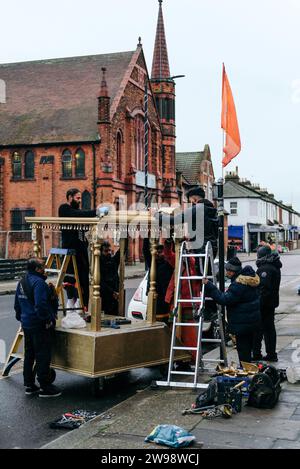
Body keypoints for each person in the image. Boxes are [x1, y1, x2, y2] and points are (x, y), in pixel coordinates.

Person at [14, 258, 61, 397]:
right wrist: (47, 320)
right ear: (37, 269)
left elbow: (17, 304)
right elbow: (41, 305)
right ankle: (45, 387)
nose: (45, 268)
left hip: (27, 324)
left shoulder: (21, 282)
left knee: (29, 355)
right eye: (42, 266)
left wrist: (22, 319)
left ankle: (29, 385)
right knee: (42, 355)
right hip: (39, 325)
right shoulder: (39, 283)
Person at [203, 257, 261, 365]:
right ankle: (248, 368)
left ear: (231, 271)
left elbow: (224, 299)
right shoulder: (249, 279)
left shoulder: (238, 284)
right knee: (248, 349)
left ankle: (246, 371)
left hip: (242, 323)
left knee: (243, 350)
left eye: (227, 270)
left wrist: (210, 287)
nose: (225, 273)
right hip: (251, 321)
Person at [58, 188, 97, 310]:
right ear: (70, 197)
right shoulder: (64, 208)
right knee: (70, 279)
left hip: (81, 251)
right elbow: (77, 215)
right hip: (70, 250)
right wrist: (95, 212)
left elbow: (83, 224)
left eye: (80, 198)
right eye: (77, 198)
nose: (79, 201)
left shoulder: (78, 212)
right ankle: (71, 306)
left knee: (83, 280)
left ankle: (83, 306)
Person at [253, 245, 282, 362]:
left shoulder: (265, 269)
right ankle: (270, 353)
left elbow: (263, 289)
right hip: (270, 303)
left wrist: (257, 304)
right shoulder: (272, 265)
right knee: (269, 329)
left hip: (264, 305)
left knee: (260, 330)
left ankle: (258, 353)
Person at [143, 238, 174, 324]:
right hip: (155, 297)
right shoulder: (153, 263)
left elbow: (172, 251)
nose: (159, 254)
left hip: (165, 298)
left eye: (161, 252)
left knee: (165, 323)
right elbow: (145, 251)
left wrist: (170, 238)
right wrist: (146, 237)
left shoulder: (168, 263)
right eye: (157, 252)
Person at [100, 241, 121, 315]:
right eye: (106, 251)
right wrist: (112, 292)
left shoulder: (113, 261)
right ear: (101, 252)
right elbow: (101, 282)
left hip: (115, 297)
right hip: (105, 297)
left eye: (109, 250)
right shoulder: (99, 263)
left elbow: (121, 251)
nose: (108, 252)